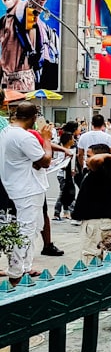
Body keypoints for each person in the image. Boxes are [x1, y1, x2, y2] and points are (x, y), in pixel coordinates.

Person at [0, 103, 53, 282]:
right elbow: (45, 161)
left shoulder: (7, 131)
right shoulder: (24, 137)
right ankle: (15, 273)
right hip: (27, 190)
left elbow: (29, 159)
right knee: (26, 230)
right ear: (34, 117)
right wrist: (46, 139)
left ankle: (24, 267)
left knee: (33, 226)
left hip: (18, 186)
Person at [0, 0, 58, 92]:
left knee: (21, 110)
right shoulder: (4, 20)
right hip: (5, 80)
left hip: (20, 81)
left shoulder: (25, 11)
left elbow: (36, 5)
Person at [71, 143, 111, 255]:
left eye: (88, 156)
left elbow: (94, 160)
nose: (86, 160)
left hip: (95, 223)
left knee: (91, 255)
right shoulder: (104, 171)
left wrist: (109, 155)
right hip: (100, 222)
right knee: (102, 254)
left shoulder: (100, 170)